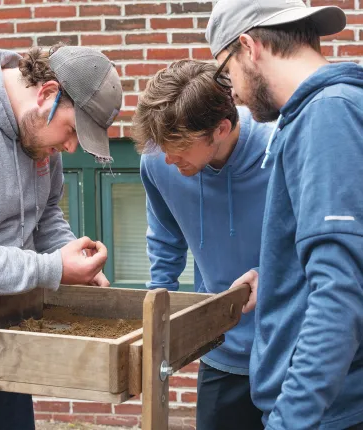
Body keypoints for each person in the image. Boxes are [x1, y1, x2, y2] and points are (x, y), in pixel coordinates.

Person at [0, 44, 122, 429]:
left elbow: (46, 212)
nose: (70, 148)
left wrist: (72, 259)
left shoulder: (36, 132)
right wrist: (52, 268)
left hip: (6, 326)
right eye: (72, 131)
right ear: (48, 93)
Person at [206, 1, 363, 429]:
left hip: (328, 414)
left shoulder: (328, 114)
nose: (232, 91)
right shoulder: (326, 112)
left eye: (226, 73)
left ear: (249, 47)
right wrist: (277, 274)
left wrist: (289, 422)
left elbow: (340, 292)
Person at [131, 59, 274, 430]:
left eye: (178, 146)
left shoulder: (283, 150)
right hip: (220, 349)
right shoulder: (159, 163)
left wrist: (271, 273)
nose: (168, 158)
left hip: (288, 350)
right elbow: (165, 237)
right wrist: (157, 313)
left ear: (221, 128)